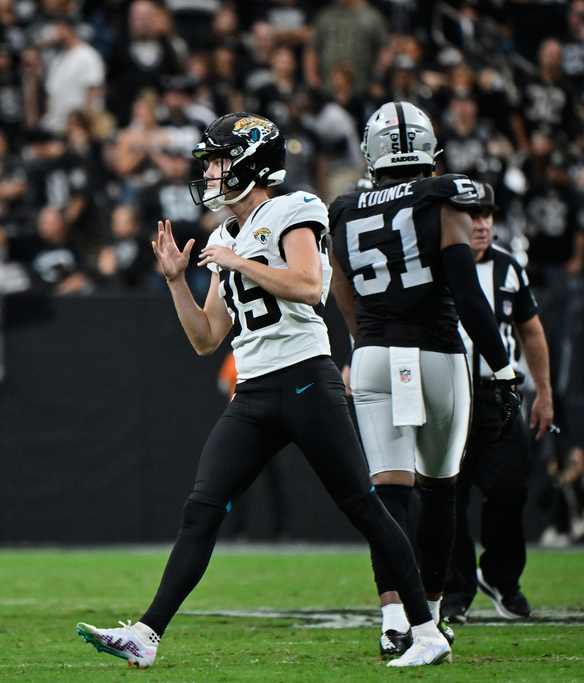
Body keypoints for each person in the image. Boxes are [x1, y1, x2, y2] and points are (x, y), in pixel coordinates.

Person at [76, 112, 451, 669]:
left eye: (220, 161)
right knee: (201, 509)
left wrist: (238, 261)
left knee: (364, 507)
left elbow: (309, 286)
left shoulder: (292, 208)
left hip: (305, 379)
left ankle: (425, 630)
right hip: (252, 392)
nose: (210, 172)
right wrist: (179, 281)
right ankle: (147, 634)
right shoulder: (223, 234)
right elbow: (206, 338)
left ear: (252, 162)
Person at [328, 102, 521, 656]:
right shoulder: (442, 200)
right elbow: (468, 296)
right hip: (435, 353)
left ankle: (394, 619)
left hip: (373, 355)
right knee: (438, 489)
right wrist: (502, 367)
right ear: (429, 148)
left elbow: (343, 294)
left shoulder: (344, 209)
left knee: (388, 493)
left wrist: (365, 341)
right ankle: (429, 619)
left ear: (372, 152)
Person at [443, 182, 554, 622]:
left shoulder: (508, 268)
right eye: (473, 214)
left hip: (498, 392)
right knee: (447, 495)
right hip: (449, 394)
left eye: (487, 214)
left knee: (509, 487)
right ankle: (454, 591)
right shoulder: (433, 266)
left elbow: (532, 330)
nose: (482, 223)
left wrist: (544, 392)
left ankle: (502, 577)